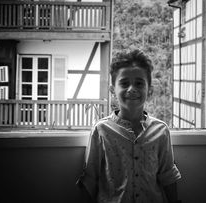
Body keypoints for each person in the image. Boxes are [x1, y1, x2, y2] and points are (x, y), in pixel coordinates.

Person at [76, 49, 181, 203]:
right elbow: (90, 179)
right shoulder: (101, 130)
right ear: (113, 90)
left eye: (139, 83)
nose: (132, 89)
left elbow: (168, 176)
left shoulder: (161, 131)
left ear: (149, 90)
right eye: (124, 83)